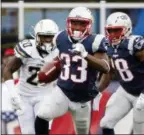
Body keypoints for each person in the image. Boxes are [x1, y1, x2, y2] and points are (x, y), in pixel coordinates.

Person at [34, 6, 110, 135]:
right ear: (69, 23)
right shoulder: (60, 37)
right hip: (62, 91)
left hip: (83, 98)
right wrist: (46, 73)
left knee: (83, 132)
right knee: (42, 116)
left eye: (82, 24)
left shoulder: (95, 41)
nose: (77, 27)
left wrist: (85, 55)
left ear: (89, 25)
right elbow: (58, 61)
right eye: (74, 23)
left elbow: (105, 67)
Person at [98, 12, 144, 135]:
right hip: (125, 91)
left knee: (140, 132)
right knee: (105, 123)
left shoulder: (134, 44)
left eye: (116, 31)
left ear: (126, 29)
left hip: (143, 93)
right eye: (110, 31)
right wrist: (97, 91)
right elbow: (109, 72)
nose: (112, 35)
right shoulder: (108, 46)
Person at [3, 19, 59, 134]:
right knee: (28, 132)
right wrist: (13, 95)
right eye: (44, 36)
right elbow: (8, 69)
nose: (47, 40)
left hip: (45, 95)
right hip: (24, 96)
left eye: (50, 36)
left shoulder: (59, 50)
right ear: (36, 36)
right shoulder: (27, 48)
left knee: (42, 131)